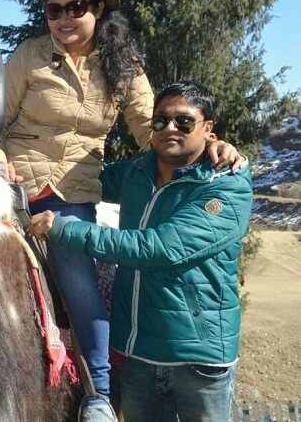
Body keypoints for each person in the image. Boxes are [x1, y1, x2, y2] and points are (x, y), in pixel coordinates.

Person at [0, 0, 242, 420]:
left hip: (74, 189)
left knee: (79, 281)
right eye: (53, 9)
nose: (62, 18)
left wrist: (211, 145)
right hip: (12, 178)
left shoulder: (123, 66)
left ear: (97, 10)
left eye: (75, 8)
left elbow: (156, 129)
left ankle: (99, 392)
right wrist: (0, 162)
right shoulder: (29, 55)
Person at [30, 81, 253, 422]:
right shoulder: (138, 172)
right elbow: (81, 180)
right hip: (136, 354)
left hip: (197, 359)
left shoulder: (226, 186)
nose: (169, 129)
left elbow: (159, 248)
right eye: (160, 121)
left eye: (184, 122)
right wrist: (22, 168)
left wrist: (63, 228)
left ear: (208, 130)